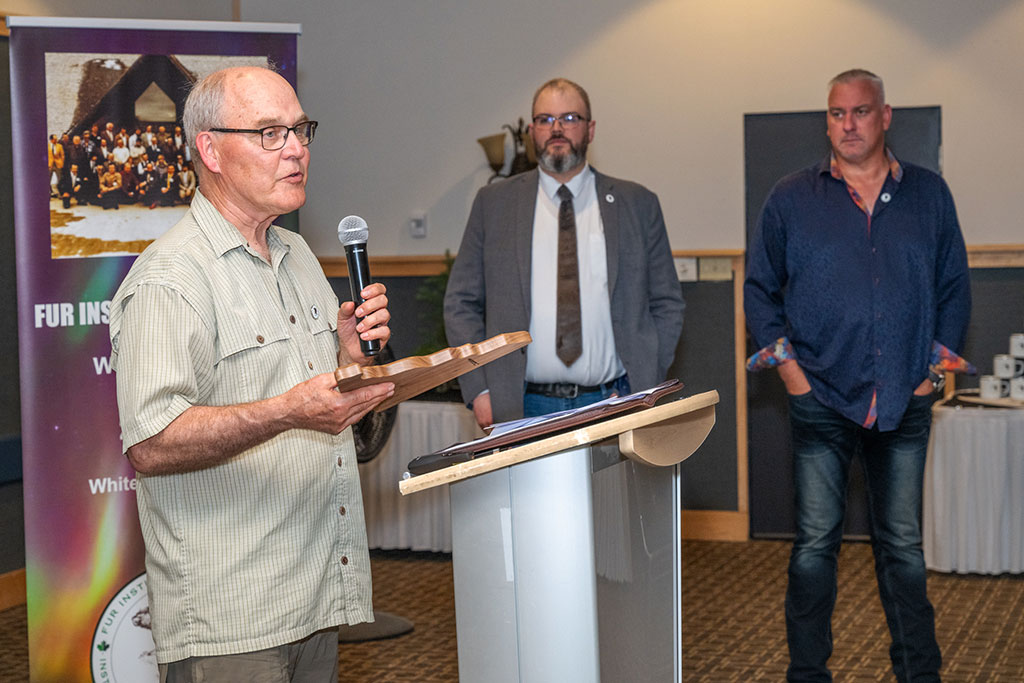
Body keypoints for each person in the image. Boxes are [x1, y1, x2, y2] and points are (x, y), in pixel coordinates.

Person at [109, 65, 394, 681]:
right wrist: (287, 410)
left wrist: (350, 363)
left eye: (299, 130)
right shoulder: (172, 279)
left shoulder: (298, 259)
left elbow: (334, 415)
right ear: (209, 149)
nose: (295, 149)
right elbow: (153, 444)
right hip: (232, 622)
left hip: (318, 597)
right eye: (269, 133)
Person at [744, 68, 971, 683]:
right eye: (837, 114)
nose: (849, 124)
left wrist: (931, 371)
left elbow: (954, 290)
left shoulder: (929, 195)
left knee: (901, 547)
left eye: (861, 112)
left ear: (886, 116)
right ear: (827, 120)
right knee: (815, 549)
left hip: (904, 398)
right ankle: (808, 673)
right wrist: (789, 372)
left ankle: (918, 673)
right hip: (818, 400)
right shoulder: (791, 196)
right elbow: (759, 291)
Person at [444, 77, 684, 428]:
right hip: (519, 407)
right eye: (544, 119)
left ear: (591, 129)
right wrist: (479, 390)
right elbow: (460, 303)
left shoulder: (638, 204)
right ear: (532, 131)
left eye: (570, 118)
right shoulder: (493, 205)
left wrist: (645, 381)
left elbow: (667, 303)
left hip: (615, 403)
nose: (557, 129)